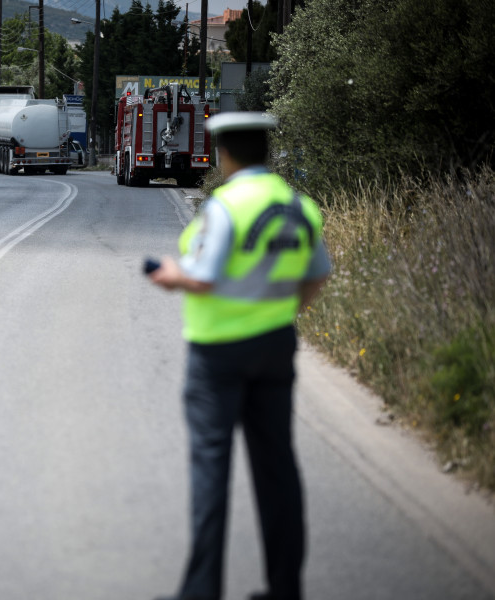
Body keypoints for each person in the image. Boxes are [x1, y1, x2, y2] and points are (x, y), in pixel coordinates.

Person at [148, 112, 330, 600]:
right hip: (275, 347)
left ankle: (202, 591)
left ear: (224, 152)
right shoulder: (298, 206)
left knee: (212, 467)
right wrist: (282, 311)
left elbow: (203, 275)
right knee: (277, 469)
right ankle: (285, 588)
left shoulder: (225, 207)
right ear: (266, 150)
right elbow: (317, 273)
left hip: (218, 353)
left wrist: (169, 274)